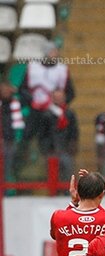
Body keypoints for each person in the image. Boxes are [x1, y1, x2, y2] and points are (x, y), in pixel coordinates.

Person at [18, 43, 75, 172]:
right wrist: (32, 101)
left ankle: (59, 175)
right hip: (36, 111)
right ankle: (22, 170)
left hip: (55, 113)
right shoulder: (33, 67)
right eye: (52, 51)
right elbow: (23, 89)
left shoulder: (62, 69)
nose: (55, 53)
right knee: (27, 139)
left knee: (56, 143)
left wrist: (60, 105)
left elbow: (70, 92)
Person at [43, 89, 78, 182]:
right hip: (51, 150)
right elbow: (43, 134)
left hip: (66, 149)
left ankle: (67, 192)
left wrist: (72, 145)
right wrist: (47, 148)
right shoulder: (47, 114)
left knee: (68, 173)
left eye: (61, 97)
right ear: (52, 99)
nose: (59, 99)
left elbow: (74, 131)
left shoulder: (69, 114)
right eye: (56, 97)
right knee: (53, 175)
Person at [0, 82, 24, 178]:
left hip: (12, 140)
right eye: (3, 90)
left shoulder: (16, 102)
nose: (5, 92)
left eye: (7, 89)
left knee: (9, 166)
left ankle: (9, 189)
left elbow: (30, 99)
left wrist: (17, 90)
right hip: (2, 139)